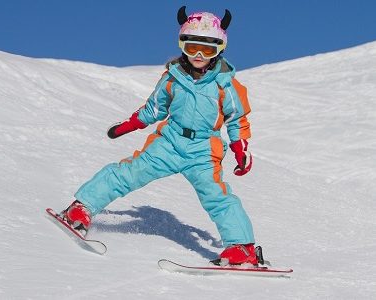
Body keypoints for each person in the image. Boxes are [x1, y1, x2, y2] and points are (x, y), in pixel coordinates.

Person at [61, 6, 259, 265]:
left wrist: (240, 148)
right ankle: (81, 208)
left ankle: (241, 248)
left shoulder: (226, 85)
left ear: (220, 49)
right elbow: (155, 108)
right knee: (131, 172)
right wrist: (130, 124)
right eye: (192, 47)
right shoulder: (172, 78)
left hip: (204, 150)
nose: (199, 55)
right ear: (182, 46)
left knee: (217, 197)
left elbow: (237, 119)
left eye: (208, 49)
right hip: (169, 142)